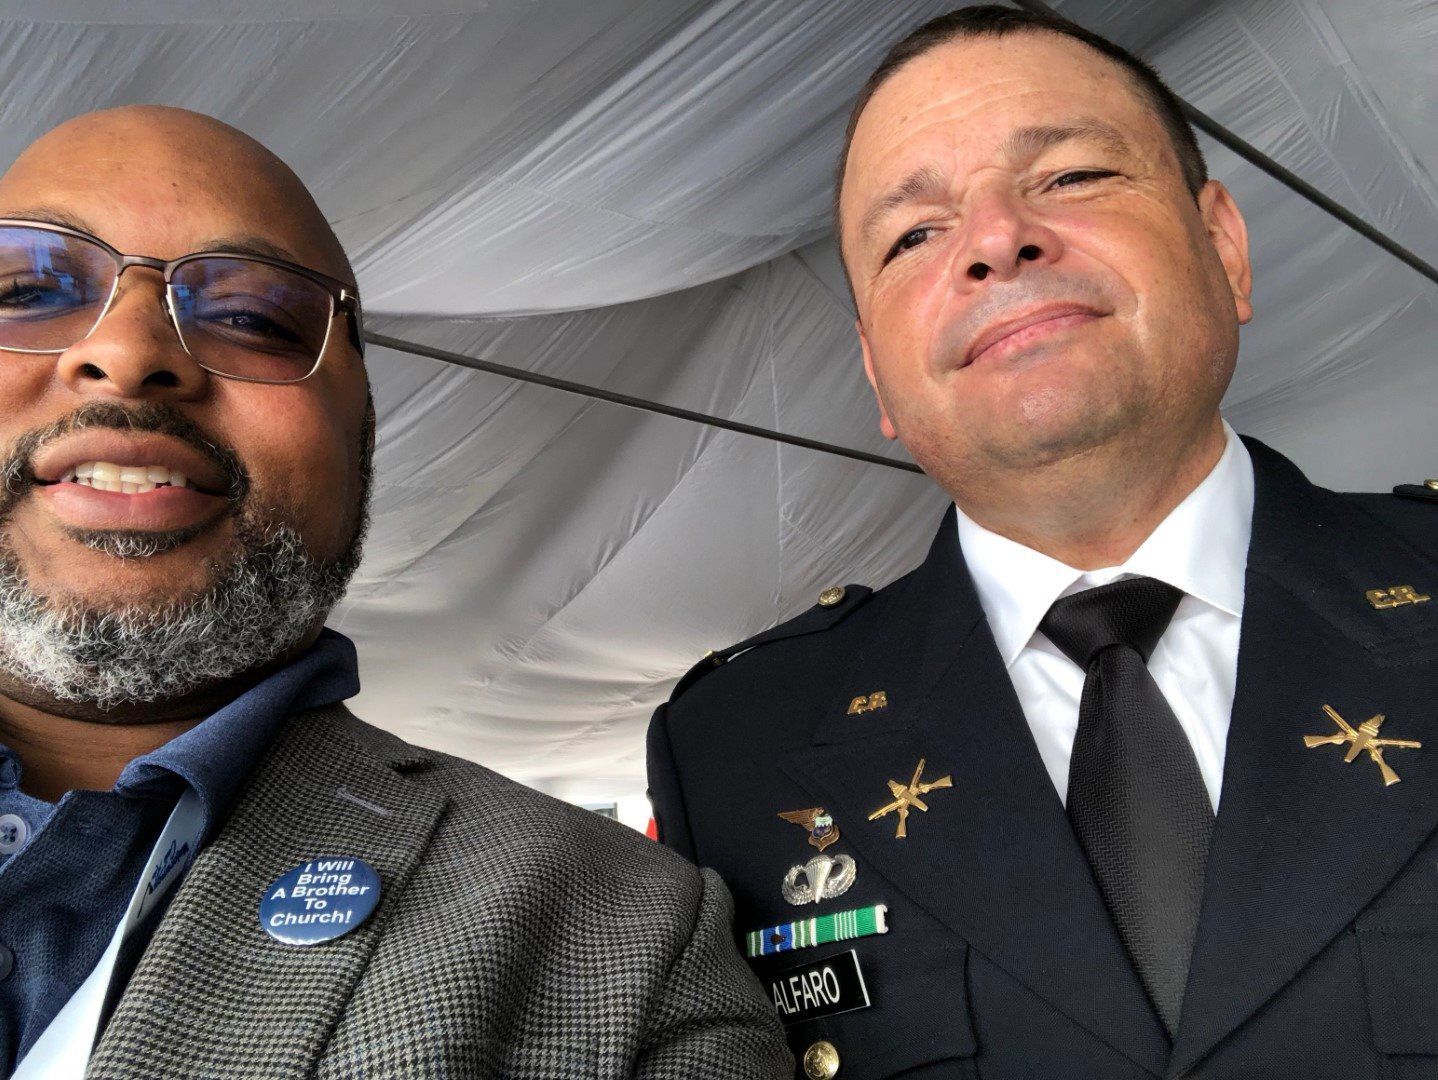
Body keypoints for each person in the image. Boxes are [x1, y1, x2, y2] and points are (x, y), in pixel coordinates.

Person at [648, 8, 1437, 1079]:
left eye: (1067, 177)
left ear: (1224, 247)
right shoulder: (734, 749)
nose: (990, 239)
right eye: (912, 235)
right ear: (877, 373)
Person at [0, 105, 790, 1079]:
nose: (126, 351)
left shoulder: (620, 933)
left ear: (361, 443)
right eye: (27, 290)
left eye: (251, 318)